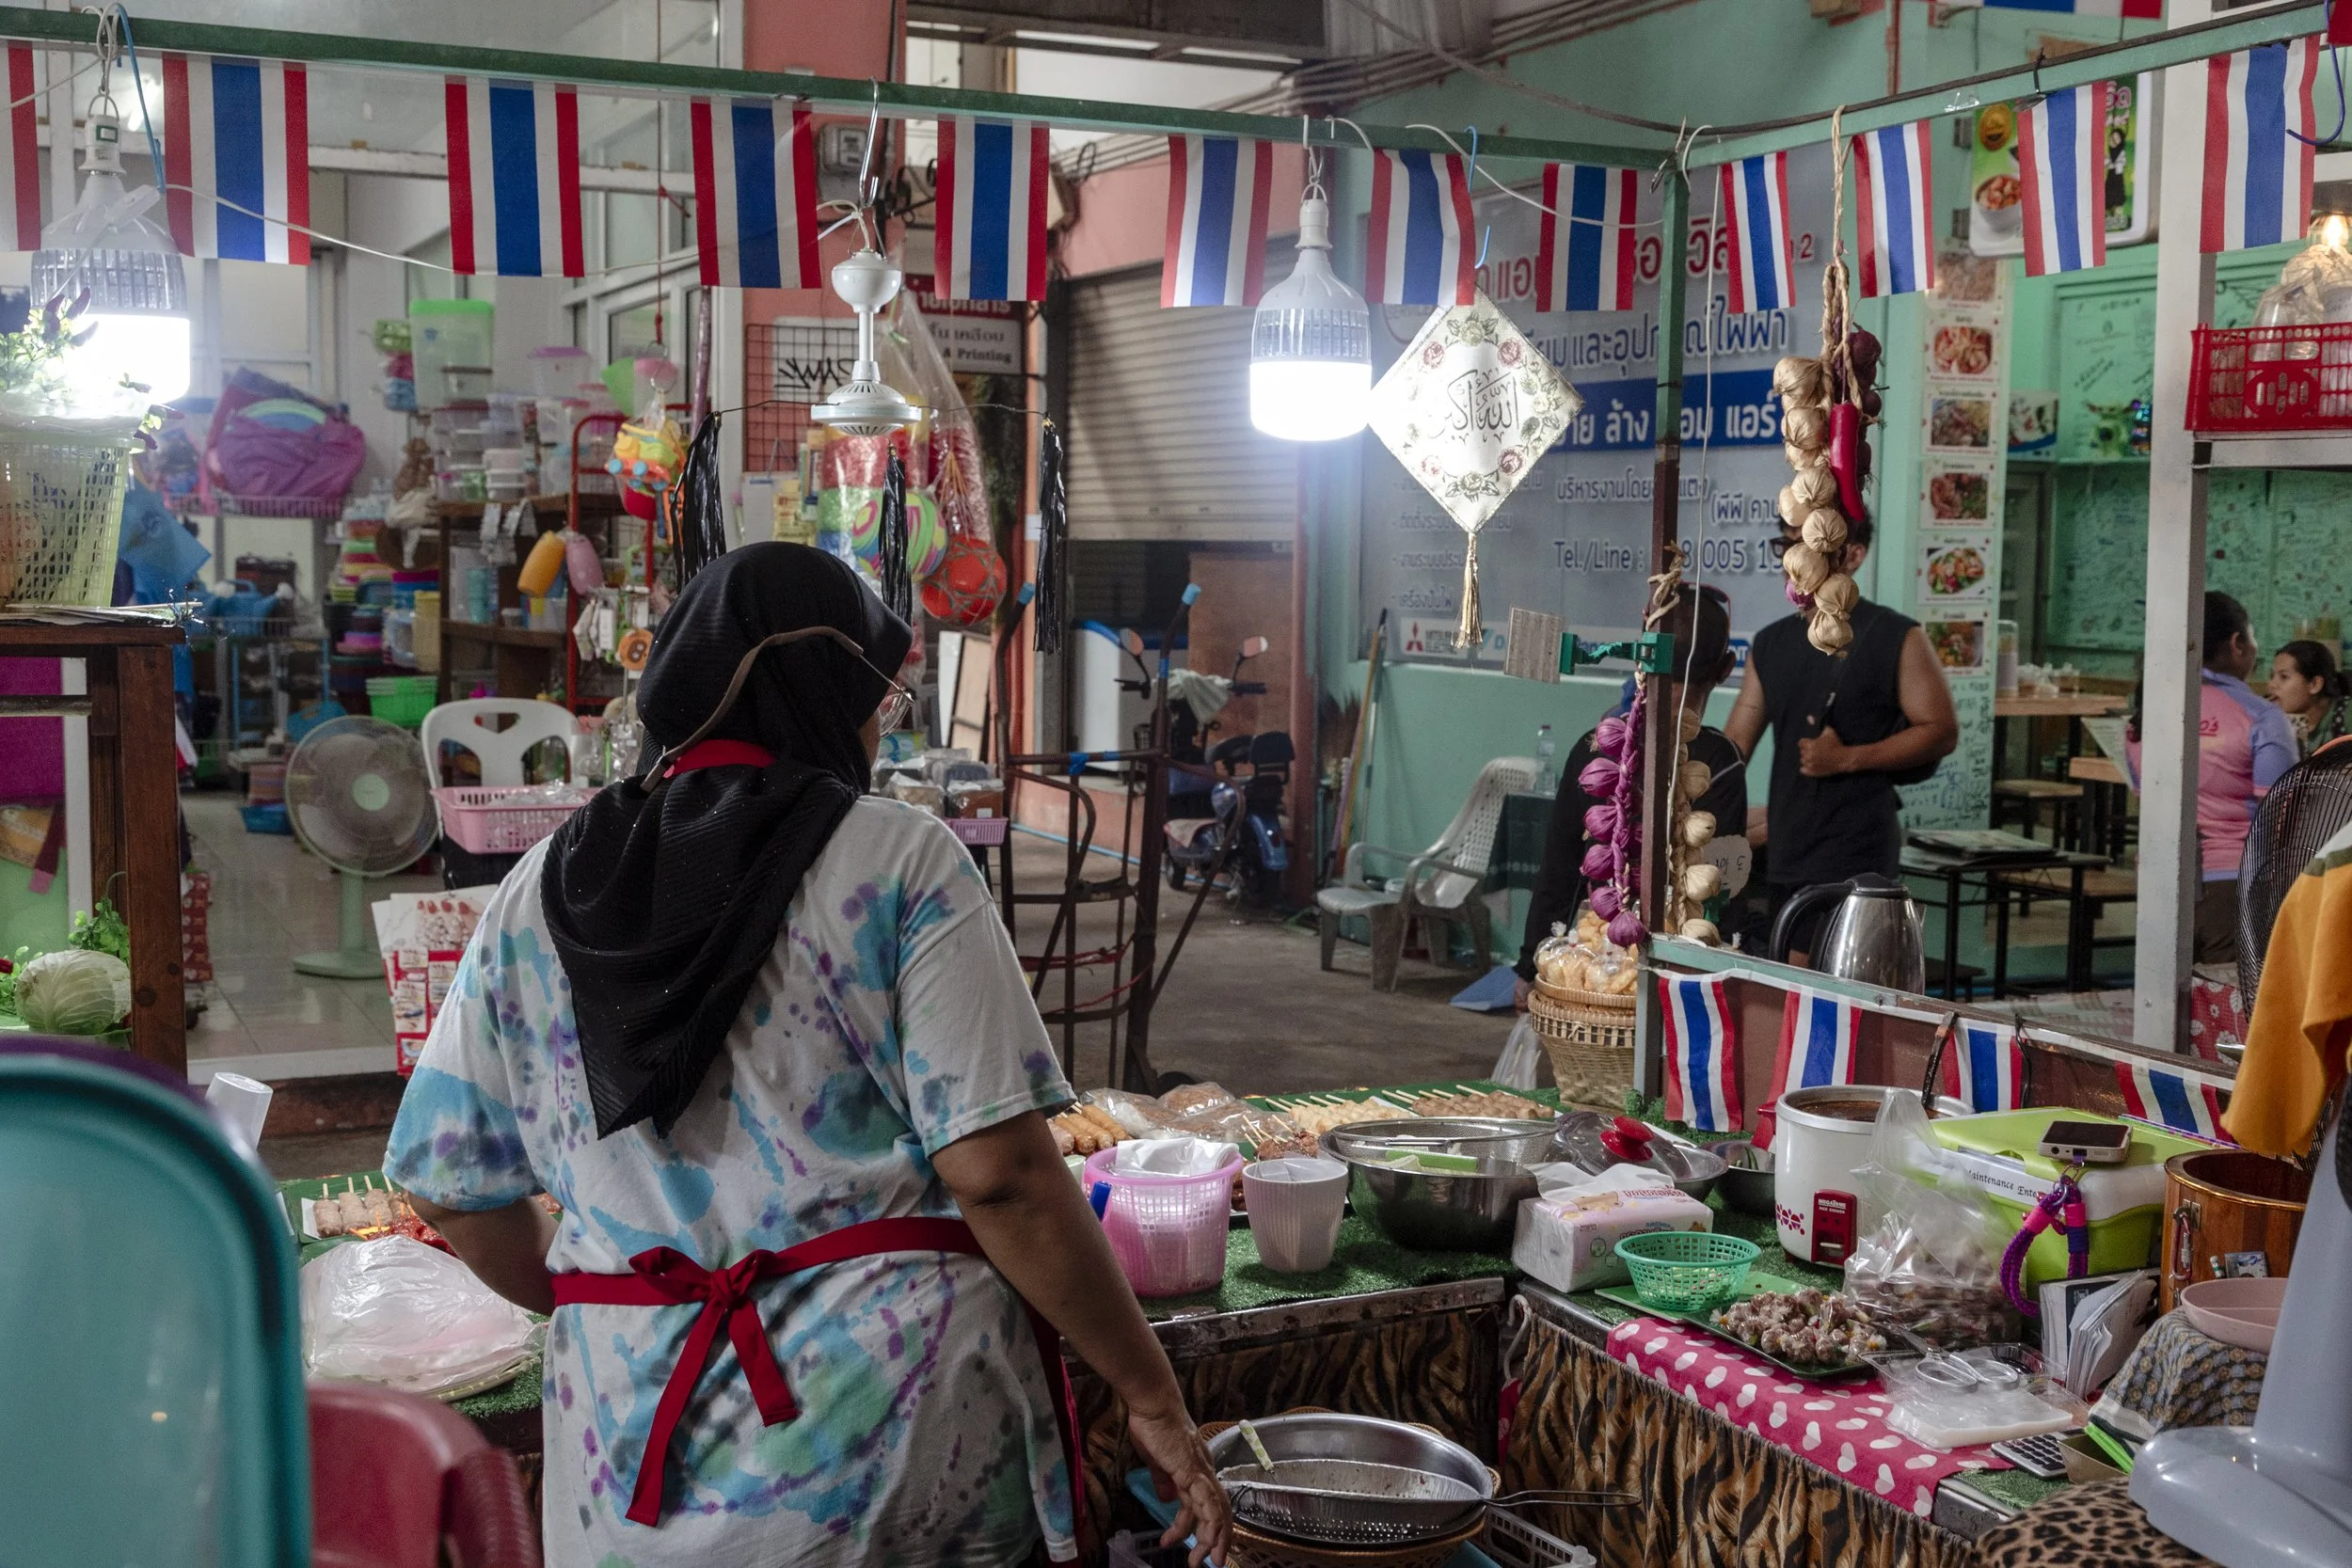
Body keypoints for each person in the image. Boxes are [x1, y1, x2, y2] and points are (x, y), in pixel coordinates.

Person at [384, 545, 1230, 1568]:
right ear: (826, 691)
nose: (878, 725)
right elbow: (1001, 1175)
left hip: (627, 1461)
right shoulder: (900, 857)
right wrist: (1151, 1393)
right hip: (888, 1458)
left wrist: (612, 1295)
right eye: (878, 698)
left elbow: (448, 1178)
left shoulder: (539, 888)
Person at [1722, 512, 1960, 957]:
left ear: (1852, 555)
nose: (1794, 561)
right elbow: (1736, 743)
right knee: (1794, 990)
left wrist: (1848, 758)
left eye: (1809, 550)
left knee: (1845, 989)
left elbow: (1940, 731)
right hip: (1787, 845)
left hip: (1858, 849)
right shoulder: (1771, 643)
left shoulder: (1895, 636)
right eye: (1788, 547)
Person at [1515, 586, 1746, 1001]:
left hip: (1592, 975)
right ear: (1727, 667)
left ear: (1643, 655)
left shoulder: (1597, 748)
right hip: (1683, 977)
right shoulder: (1721, 762)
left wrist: (1528, 964)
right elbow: (1719, 882)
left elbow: (1560, 867)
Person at [2126, 592, 2297, 966]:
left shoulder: (2147, 711)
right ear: (2237, 644)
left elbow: (2148, 797)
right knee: (2235, 1008)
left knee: (2166, 1015)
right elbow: (2283, 815)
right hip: (2236, 885)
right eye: (2252, 639)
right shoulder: (2262, 717)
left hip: (2159, 882)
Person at [2270, 638, 2347, 756]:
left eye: (2284, 677)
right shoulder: (2276, 721)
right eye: (2272, 676)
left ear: (2314, 685)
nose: (2272, 685)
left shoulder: (2346, 715)